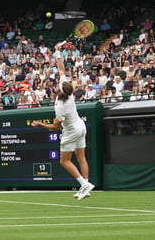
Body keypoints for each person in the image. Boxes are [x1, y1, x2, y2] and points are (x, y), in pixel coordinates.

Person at [31, 43, 94, 201]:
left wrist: (40, 124)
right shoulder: (66, 89)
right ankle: (85, 187)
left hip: (72, 131)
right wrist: (57, 52)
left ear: (61, 91)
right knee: (81, 158)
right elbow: (61, 69)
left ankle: (84, 184)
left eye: (58, 87)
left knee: (64, 161)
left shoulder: (61, 107)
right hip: (81, 127)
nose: (56, 87)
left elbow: (54, 127)